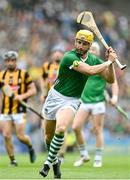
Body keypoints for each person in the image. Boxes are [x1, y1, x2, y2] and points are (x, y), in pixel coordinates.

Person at [39, 29, 117, 178]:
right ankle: (55, 162)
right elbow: (89, 71)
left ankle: (48, 163)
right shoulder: (69, 57)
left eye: (84, 44)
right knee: (48, 137)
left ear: (89, 46)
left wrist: (111, 64)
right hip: (55, 97)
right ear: (75, 41)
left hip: (72, 100)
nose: (80, 46)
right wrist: (109, 61)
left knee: (61, 128)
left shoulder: (93, 59)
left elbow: (110, 79)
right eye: (78, 42)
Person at [72, 41, 119, 168]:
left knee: (97, 130)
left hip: (98, 101)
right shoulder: (83, 63)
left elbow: (112, 81)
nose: (92, 51)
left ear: (98, 52)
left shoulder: (100, 63)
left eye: (94, 50)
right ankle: (84, 155)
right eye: (90, 49)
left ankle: (98, 158)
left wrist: (114, 97)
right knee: (76, 127)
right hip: (84, 101)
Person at [0, 51, 37, 166]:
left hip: (20, 110)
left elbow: (33, 90)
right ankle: (13, 160)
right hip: (5, 110)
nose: (10, 62)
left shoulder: (24, 74)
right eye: (8, 60)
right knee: (6, 135)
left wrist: (22, 96)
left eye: (12, 60)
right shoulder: (1, 75)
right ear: (5, 62)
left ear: (16, 61)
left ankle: (30, 147)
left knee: (20, 136)